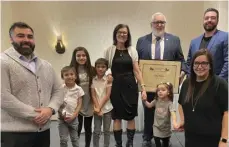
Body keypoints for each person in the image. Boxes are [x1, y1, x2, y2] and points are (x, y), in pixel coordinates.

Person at [1, 22, 64, 147]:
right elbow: (3, 97)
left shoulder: (46, 65)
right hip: (15, 134)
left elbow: (58, 90)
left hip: (43, 132)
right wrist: (36, 115)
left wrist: (50, 109)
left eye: (30, 37)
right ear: (11, 39)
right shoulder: (3, 62)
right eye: (20, 36)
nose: (26, 40)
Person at [136, 12, 187, 147]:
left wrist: (182, 72)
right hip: (148, 84)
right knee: (148, 112)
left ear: (165, 24)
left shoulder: (175, 40)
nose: (159, 25)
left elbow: (181, 60)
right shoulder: (142, 41)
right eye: (156, 22)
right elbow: (137, 63)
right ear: (151, 24)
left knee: (165, 113)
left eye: (162, 22)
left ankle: (165, 137)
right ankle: (147, 137)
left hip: (166, 87)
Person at [104, 24, 147, 147]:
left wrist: (143, 88)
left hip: (130, 87)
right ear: (115, 34)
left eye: (125, 33)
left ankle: (130, 143)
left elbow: (137, 70)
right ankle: (118, 144)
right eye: (120, 32)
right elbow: (105, 68)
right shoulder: (109, 50)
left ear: (128, 36)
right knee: (116, 116)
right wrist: (108, 75)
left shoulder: (132, 50)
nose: (122, 35)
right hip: (115, 86)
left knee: (130, 116)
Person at [178, 49, 228, 147]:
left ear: (210, 66)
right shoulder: (187, 83)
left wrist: (224, 140)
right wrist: (183, 121)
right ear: (192, 65)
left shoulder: (220, 84)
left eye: (204, 63)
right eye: (196, 63)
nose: (199, 66)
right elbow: (181, 104)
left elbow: (226, 113)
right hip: (190, 137)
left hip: (212, 139)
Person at [187, 8, 228, 81]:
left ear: (217, 21)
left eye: (213, 18)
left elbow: (227, 62)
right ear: (203, 20)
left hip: (216, 85)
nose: (209, 20)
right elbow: (189, 63)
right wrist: (190, 81)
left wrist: (219, 82)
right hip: (196, 84)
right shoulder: (194, 42)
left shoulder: (225, 37)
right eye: (206, 18)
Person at [70, 46, 96, 147]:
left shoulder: (92, 69)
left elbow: (104, 74)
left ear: (87, 56)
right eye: (78, 55)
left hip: (89, 102)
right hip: (77, 104)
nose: (81, 57)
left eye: (83, 55)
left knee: (88, 128)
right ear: (75, 57)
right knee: (78, 127)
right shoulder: (72, 70)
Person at [144, 82, 179, 147]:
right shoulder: (156, 100)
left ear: (168, 92)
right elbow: (149, 106)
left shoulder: (169, 103)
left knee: (165, 144)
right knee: (157, 142)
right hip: (156, 127)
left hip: (165, 128)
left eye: (163, 90)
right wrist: (144, 100)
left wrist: (174, 121)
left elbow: (173, 112)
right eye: (158, 90)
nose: (160, 92)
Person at [58, 66, 84, 147]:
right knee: (63, 140)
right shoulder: (60, 88)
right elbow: (57, 102)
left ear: (75, 76)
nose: (69, 76)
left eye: (72, 74)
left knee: (75, 139)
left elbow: (79, 104)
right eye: (66, 75)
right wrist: (61, 113)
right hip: (62, 118)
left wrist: (74, 115)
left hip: (74, 118)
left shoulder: (79, 89)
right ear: (62, 77)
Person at [91, 58, 113, 147]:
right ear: (95, 67)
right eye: (98, 67)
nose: (100, 69)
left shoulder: (109, 79)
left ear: (106, 68)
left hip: (107, 109)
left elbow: (107, 96)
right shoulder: (92, 79)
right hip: (96, 109)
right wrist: (97, 109)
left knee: (107, 131)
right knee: (96, 131)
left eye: (103, 67)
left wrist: (99, 108)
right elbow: (93, 95)